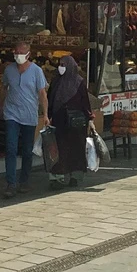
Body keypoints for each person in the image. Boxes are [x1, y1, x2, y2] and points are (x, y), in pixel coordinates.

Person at [1, 41, 48, 198]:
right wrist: (1, 107)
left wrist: (46, 114)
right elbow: (4, 88)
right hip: (11, 114)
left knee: (27, 151)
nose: (18, 55)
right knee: (11, 147)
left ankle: (25, 180)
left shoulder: (36, 71)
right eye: (16, 52)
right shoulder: (9, 70)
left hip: (29, 115)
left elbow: (42, 94)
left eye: (21, 52)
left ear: (28, 54)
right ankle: (11, 183)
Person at [46, 55, 95, 188]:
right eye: (60, 64)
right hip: (59, 121)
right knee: (59, 149)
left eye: (63, 64)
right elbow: (51, 99)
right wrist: (48, 116)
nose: (61, 67)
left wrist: (90, 118)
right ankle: (57, 177)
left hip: (76, 123)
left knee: (76, 149)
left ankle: (75, 176)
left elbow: (85, 101)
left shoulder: (79, 82)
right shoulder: (56, 81)